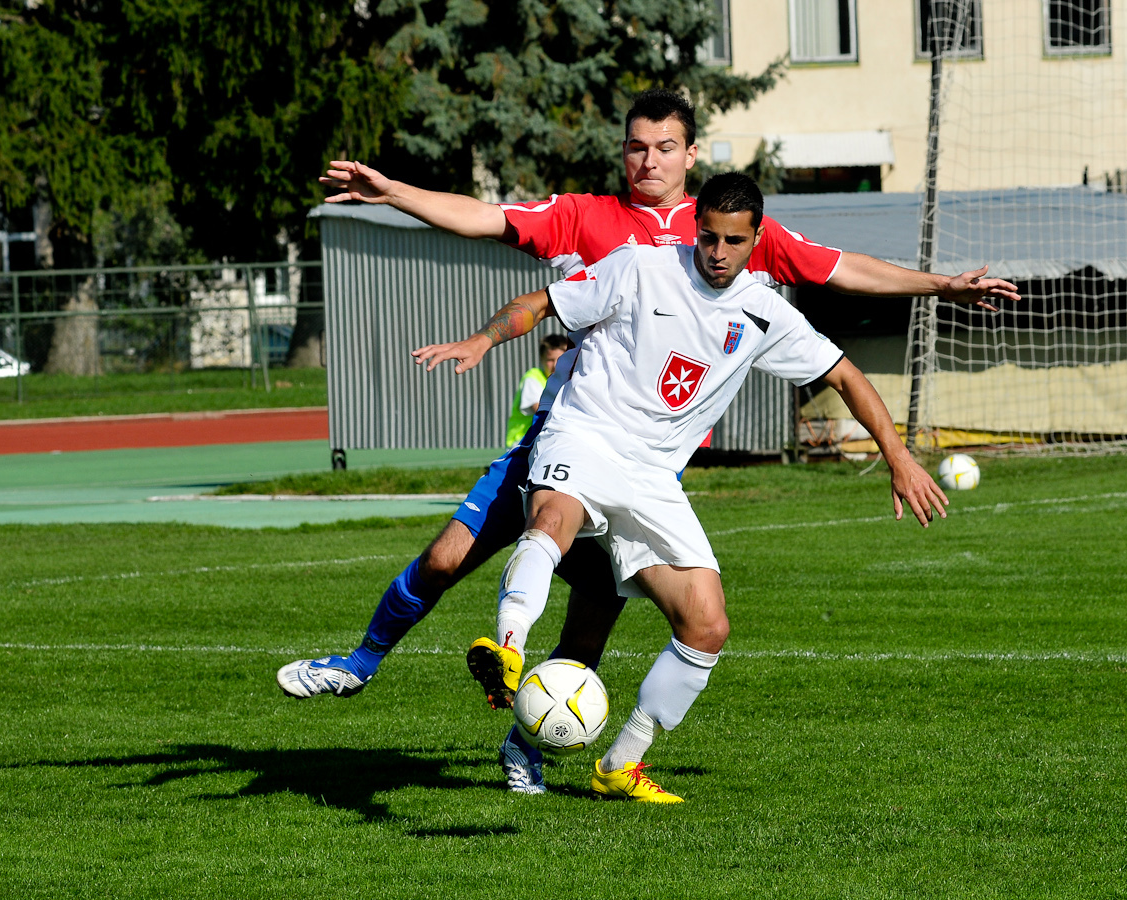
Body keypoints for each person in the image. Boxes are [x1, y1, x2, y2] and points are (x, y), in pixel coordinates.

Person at [277, 89, 1018, 796]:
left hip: (651, 469)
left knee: (601, 618)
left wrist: (941, 287)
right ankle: (363, 663)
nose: (649, 160)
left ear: (691, 155)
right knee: (451, 556)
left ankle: (539, 747)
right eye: (636, 147)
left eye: (664, 147)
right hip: (571, 434)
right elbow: (484, 218)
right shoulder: (591, 220)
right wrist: (394, 193)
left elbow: (842, 270)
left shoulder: (731, 227)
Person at [476, 172, 948, 801]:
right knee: (552, 521)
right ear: (694, 228)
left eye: (733, 241)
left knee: (707, 625)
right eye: (708, 237)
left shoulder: (765, 312)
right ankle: (508, 647)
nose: (717, 252)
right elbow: (544, 303)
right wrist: (482, 338)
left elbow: (847, 377)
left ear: (757, 239)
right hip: (586, 435)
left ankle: (619, 765)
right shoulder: (641, 266)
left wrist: (899, 457)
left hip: (652, 477)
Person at [508, 335, 570, 446]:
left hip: (548, 439)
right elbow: (541, 411)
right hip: (523, 443)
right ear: (542, 359)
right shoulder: (533, 378)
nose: (555, 365)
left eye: (560, 359)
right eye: (550, 360)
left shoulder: (569, 381)